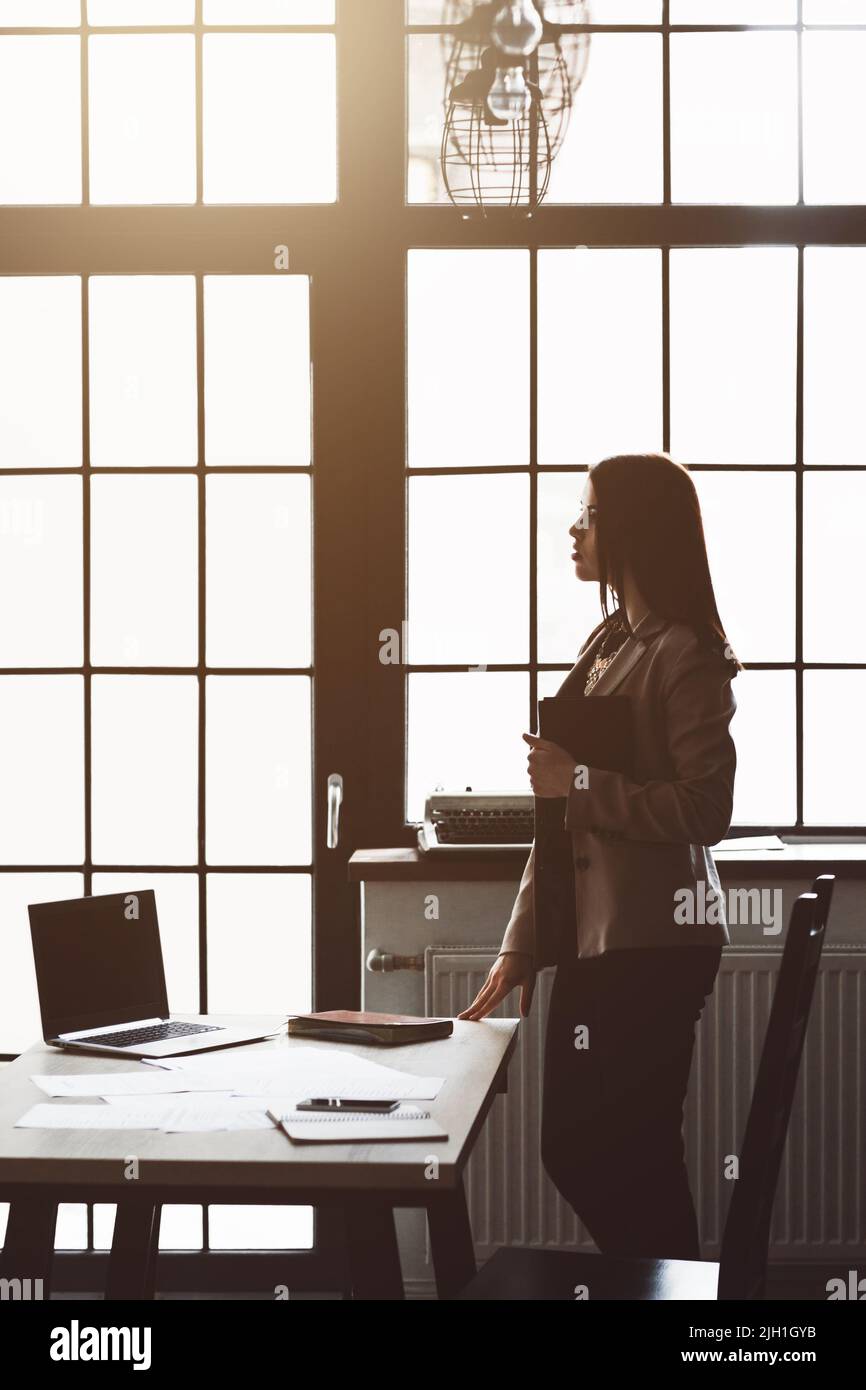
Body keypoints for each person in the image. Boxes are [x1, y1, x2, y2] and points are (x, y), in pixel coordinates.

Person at [458, 452, 740, 1260]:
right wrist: (522, 943)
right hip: (599, 942)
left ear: (631, 531)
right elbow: (564, 824)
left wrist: (578, 780)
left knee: (624, 1156)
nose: (573, 530)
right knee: (590, 1152)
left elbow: (704, 809)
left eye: (587, 514)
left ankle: (681, 1311)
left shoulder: (685, 653)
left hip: (651, 948)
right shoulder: (610, 641)